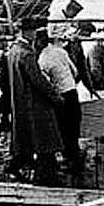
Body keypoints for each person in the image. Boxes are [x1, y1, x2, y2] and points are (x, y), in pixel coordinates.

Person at [6, 17, 63, 185]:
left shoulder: (13, 50)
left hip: (20, 101)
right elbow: (38, 81)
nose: (34, 34)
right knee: (46, 141)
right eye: (33, 31)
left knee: (24, 138)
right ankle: (45, 177)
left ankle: (16, 166)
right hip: (34, 104)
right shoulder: (27, 53)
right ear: (27, 32)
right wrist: (55, 97)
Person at [39, 23, 82, 182]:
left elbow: (46, 84)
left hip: (61, 96)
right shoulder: (61, 52)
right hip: (72, 92)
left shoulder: (42, 59)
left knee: (63, 130)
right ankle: (75, 160)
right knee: (74, 129)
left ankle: (69, 160)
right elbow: (75, 73)